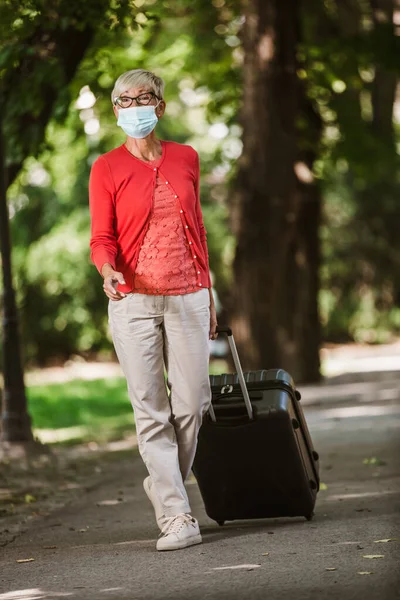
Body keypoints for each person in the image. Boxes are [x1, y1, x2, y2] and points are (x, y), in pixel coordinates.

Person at [89, 69, 217, 552]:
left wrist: (209, 294)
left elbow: (198, 229)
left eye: (143, 98)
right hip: (134, 301)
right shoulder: (106, 168)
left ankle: (165, 483)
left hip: (189, 296)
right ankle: (177, 515)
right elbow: (102, 237)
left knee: (192, 404)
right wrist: (107, 270)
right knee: (151, 412)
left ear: (159, 107)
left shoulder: (186, 157)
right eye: (124, 99)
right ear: (115, 109)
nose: (134, 105)